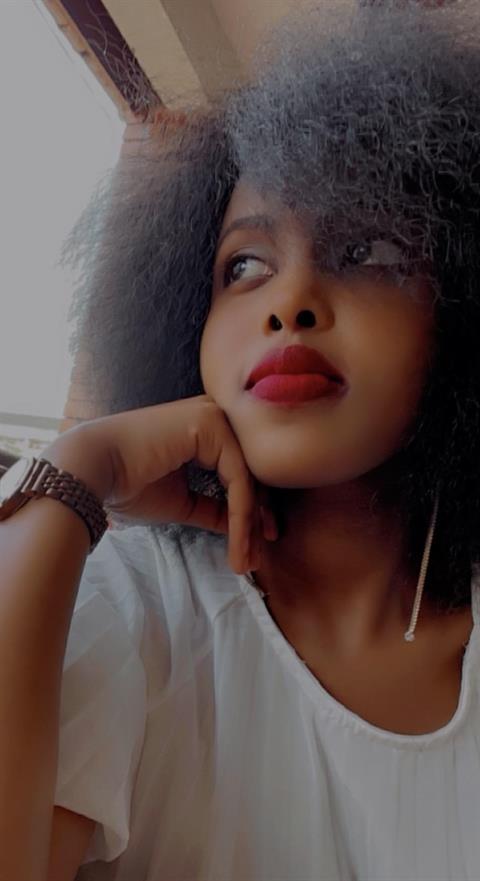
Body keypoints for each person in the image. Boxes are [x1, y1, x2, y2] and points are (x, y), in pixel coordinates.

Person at [1, 1, 480, 878]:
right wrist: (75, 473)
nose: (289, 301)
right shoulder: (135, 606)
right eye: (245, 265)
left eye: (369, 251)